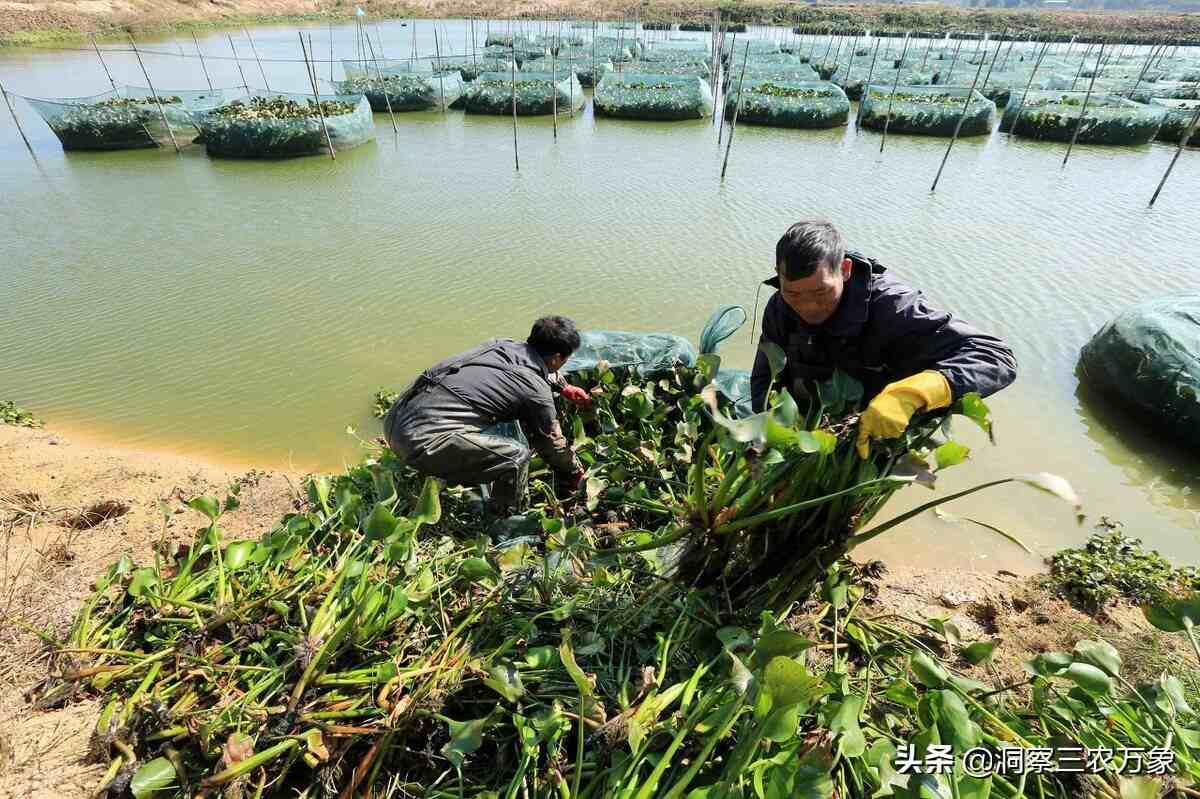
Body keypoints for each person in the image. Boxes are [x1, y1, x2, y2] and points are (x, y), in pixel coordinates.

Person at [750, 220, 1017, 458]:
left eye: (821, 292)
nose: (807, 306)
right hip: (809, 435)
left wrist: (911, 395)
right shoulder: (780, 306)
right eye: (794, 294)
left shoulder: (895, 306)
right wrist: (772, 438)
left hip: (877, 436)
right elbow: (765, 377)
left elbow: (995, 356)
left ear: (844, 269)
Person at [383, 316, 592, 515]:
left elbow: (531, 368)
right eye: (565, 358)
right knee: (516, 457)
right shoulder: (536, 390)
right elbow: (551, 445)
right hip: (418, 443)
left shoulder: (501, 344)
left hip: (395, 419)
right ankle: (507, 517)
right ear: (556, 358)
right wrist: (575, 472)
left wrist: (563, 387)